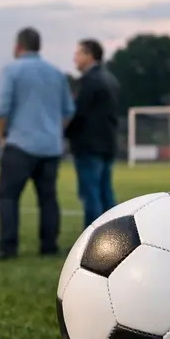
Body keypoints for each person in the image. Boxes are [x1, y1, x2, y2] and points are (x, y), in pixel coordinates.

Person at [0, 27, 75, 260]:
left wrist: (1, 136)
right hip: (50, 146)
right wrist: (55, 132)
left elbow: (0, 108)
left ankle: (8, 246)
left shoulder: (11, 70)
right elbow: (68, 110)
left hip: (20, 144)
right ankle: (48, 245)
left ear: (18, 46)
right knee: (48, 198)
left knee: (8, 196)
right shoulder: (56, 73)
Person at [66, 38, 121, 228]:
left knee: (91, 194)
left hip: (88, 145)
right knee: (106, 193)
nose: (75, 58)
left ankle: (93, 241)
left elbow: (77, 113)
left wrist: (64, 131)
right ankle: (114, 235)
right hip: (108, 143)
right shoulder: (110, 78)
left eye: (79, 53)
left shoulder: (89, 81)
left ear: (89, 55)